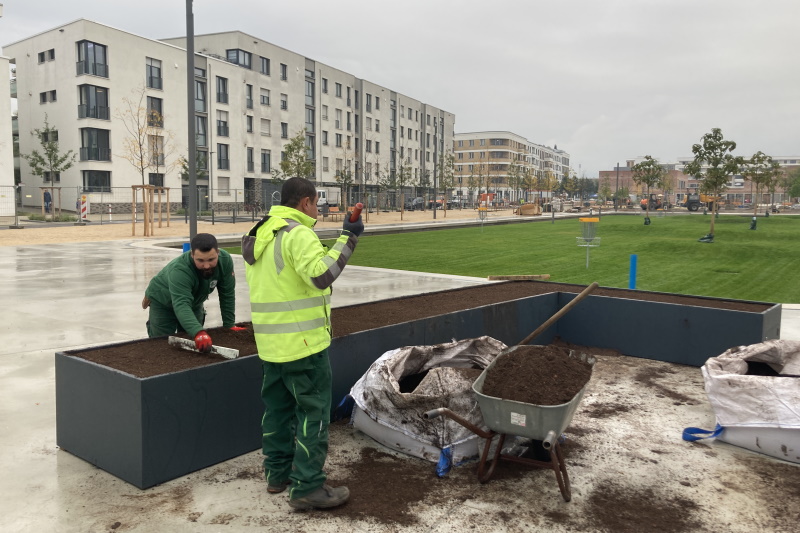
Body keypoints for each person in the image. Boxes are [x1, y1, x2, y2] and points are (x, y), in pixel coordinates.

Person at [241, 177, 363, 511]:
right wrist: (349, 236)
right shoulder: (298, 234)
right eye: (317, 202)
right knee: (313, 414)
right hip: (304, 346)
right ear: (306, 202)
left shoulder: (258, 233)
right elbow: (321, 274)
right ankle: (307, 486)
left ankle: (277, 475)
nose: (318, 208)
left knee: (278, 412)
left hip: (270, 345)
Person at [142, 233, 242, 351]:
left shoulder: (225, 261)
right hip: (163, 301)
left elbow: (227, 294)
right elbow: (181, 304)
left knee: (192, 342)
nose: (206, 265)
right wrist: (198, 332)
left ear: (218, 253)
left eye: (211, 259)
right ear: (192, 255)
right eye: (200, 260)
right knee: (161, 344)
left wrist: (229, 325)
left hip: (194, 300)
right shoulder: (180, 270)